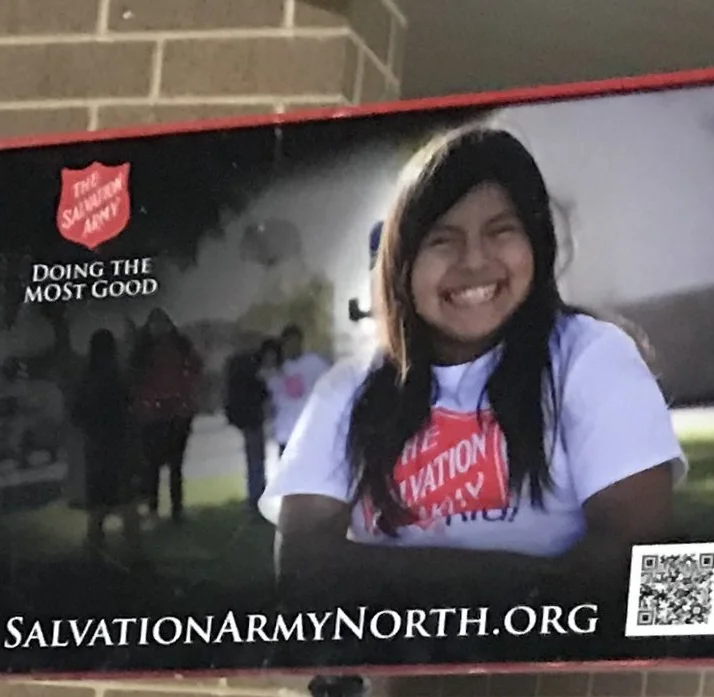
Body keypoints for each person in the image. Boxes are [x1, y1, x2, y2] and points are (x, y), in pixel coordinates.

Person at [266, 125, 681, 589]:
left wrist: (398, 582)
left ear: (537, 244)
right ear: (402, 266)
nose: (474, 261)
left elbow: (640, 564)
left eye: (501, 231)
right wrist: (532, 581)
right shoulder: (346, 391)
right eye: (442, 239)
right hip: (384, 660)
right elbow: (301, 569)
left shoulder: (593, 358)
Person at [60, 327, 139, 556]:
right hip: (118, 446)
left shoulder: (86, 379)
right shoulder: (117, 377)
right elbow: (129, 409)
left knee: (99, 503)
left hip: (96, 448)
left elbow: (76, 415)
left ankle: (94, 546)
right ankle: (134, 551)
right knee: (126, 501)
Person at [129, 307, 206, 521]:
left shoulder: (178, 346)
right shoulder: (144, 351)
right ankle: (155, 508)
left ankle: (176, 510)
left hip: (175, 414)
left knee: (174, 465)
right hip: (155, 416)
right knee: (154, 465)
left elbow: (196, 368)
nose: (159, 328)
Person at [225, 334, 283, 511]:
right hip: (255, 420)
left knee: (257, 459)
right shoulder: (254, 375)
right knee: (256, 460)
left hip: (268, 420)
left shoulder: (261, 372)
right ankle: (257, 498)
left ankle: (259, 497)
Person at [266, 321, 330, 454]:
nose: (292, 346)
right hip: (286, 433)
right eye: (288, 342)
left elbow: (330, 387)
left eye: (295, 342)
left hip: (309, 431)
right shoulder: (279, 368)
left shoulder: (315, 364)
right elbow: (272, 398)